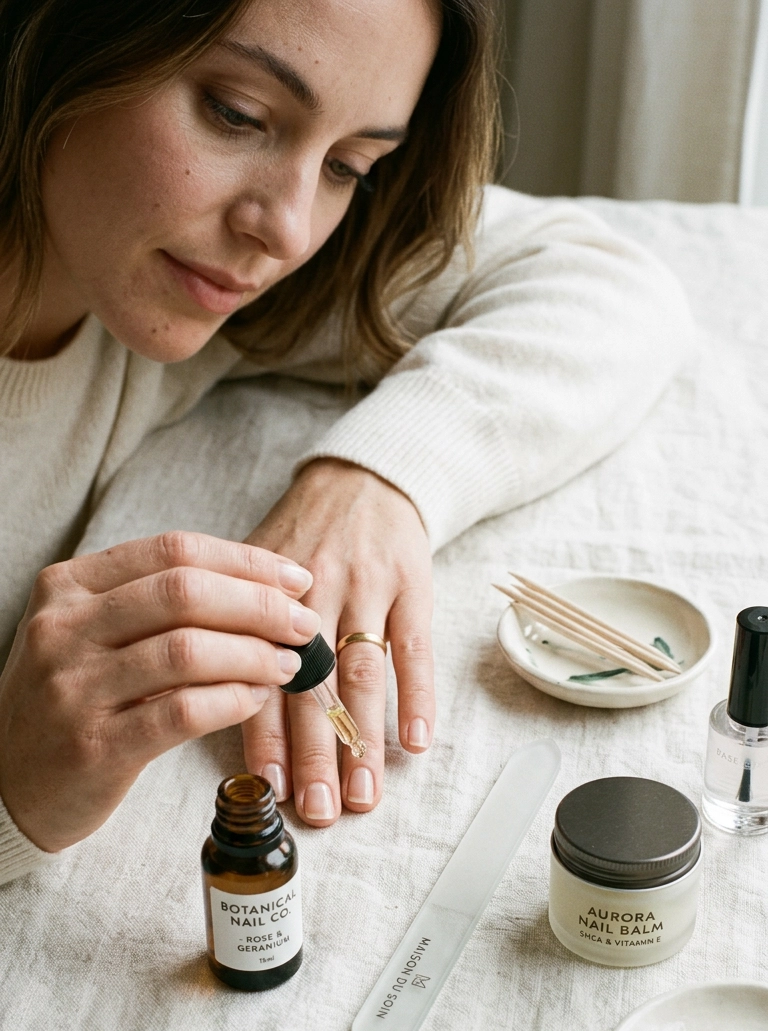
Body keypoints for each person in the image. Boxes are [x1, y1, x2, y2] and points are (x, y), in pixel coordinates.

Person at [0, 0, 692, 884]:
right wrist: (14, 797)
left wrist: (375, 480)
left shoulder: (189, 296)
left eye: (347, 165)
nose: (288, 231)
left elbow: (608, 284)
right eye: (237, 114)